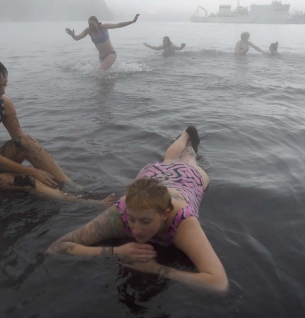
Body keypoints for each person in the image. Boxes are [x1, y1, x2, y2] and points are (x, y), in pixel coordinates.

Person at [47, 125, 229, 294]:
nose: (136, 229)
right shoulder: (121, 211)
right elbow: (57, 247)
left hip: (188, 179)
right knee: (168, 160)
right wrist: (115, 251)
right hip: (153, 176)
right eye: (131, 219)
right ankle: (184, 135)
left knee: (188, 159)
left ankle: (188, 139)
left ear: (165, 214)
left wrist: (157, 269)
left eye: (145, 221)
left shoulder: (182, 220)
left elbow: (219, 283)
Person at [0, 44, 112, 204]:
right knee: (27, 180)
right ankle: (83, 202)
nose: (3, 91)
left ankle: (73, 186)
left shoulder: (3, 103)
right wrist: (33, 171)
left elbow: (21, 142)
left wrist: (38, 166)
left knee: (25, 141)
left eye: (5, 85)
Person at [65, 14, 140, 70]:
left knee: (98, 73)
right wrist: (72, 35)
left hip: (111, 54)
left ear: (97, 23)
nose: (91, 27)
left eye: (93, 25)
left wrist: (133, 21)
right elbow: (77, 38)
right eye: (90, 25)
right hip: (101, 57)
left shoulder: (103, 27)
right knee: (104, 79)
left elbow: (119, 25)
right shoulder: (88, 31)